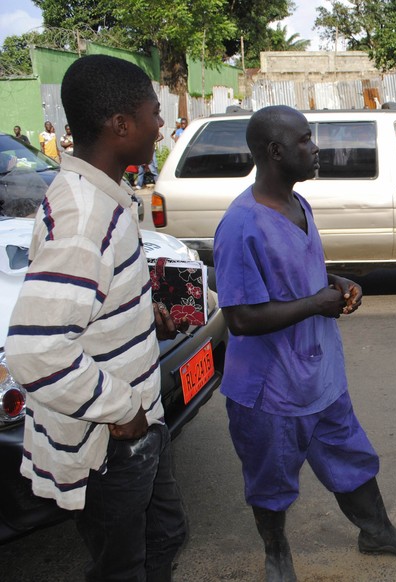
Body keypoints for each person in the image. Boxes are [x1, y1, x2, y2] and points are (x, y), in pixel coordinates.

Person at [213, 105, 396, 581]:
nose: (316, 149)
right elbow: (242, 318)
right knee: (270, 482)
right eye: (305, 141)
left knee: (352, 457)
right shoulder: (240, 225)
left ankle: (376, 532)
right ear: (275, 152)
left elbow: (302, 273)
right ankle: (277, 557)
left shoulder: (298, 205)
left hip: (319, 374)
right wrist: (317, 303)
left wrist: (337, 281)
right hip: (269, 389)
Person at [4, 54, 187, 580]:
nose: (160, 125)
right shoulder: (86, 217)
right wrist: (120, 409)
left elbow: (88, 305)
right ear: (121, 125)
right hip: (111, 441)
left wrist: (141, 316)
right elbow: (37, 350)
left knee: (166, 535)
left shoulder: (105, 200)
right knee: (122, 565)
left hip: (138, 425)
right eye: (154, 112)